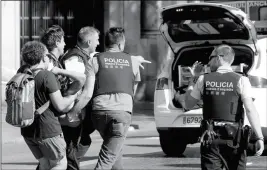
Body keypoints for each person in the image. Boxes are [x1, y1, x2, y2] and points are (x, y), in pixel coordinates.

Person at [174, 44, 264, 170]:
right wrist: (259, 137)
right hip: (235, 140)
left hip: (211, 138)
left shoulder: (202, 79)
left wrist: (192, 80)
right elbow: (250, 109)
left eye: (211, 58)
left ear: (219, 58)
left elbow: (188, 104)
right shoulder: (241, 80)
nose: (208, 63)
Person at [70, 27, 142, 169]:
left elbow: (87, 93)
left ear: (105, 44)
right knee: (106, 160)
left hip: (99, 114)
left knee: (115, 151)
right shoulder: (132, 62)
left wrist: (73, 111)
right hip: (121, 115)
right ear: (121, 44)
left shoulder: (94, 61)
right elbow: (132, 91)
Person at [20, 41, 82, 170]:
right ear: (43, 57)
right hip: (48, 131)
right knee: (59, 164)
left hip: (27, 130)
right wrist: (73, 97)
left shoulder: (21, 74)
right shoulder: (46, 76)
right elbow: (60, 106)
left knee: (44, 165)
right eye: (47, 56)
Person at [41, 25, 88, 170]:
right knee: (62, 161)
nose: (65, 44)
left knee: (50, 163)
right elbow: (51, 92)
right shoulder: (50, 63)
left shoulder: (52, 61)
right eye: (62, 41)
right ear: (56, 43)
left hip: (52, 118)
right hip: (52, 119)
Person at [59, 26, 100, 169]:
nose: (98, 43)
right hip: (74, 109)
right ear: (89, 42)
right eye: (96, 40)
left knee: (80, 143)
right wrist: (73, 112)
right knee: (71, 149)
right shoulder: (75, 58)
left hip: (76, 109)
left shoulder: (82, 56)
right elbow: (75, 87)